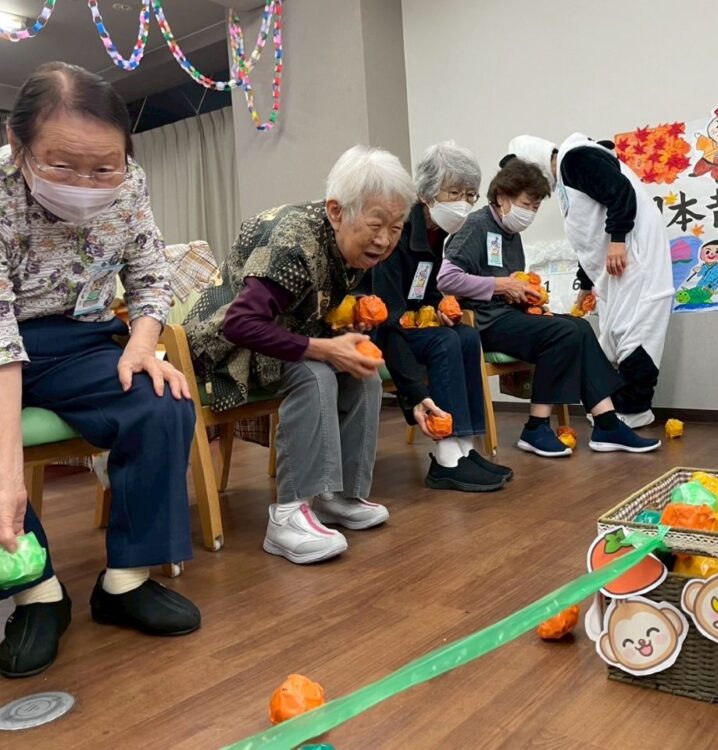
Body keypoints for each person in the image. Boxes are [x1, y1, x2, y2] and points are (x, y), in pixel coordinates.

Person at [0, 63, 200, 679]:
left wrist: (143, 343)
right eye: (62, 164)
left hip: (85, 338)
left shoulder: (132, 183)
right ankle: (37, 593)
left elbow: (148, 273)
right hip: (8, 340)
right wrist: (7, 470)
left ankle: (124, 581)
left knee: (162, 402)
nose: (86, 182)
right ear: (17, 144)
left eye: (104, 167)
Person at [184, 145, 416, 564]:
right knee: (316, 374)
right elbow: (240, 324)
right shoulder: (295, 241)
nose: (384, 240)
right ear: (336, 211)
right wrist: (323, 347)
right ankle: (289, 513)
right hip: (223, 349)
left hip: (277, 341)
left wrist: (340, 332)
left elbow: (302, 310)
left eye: (396, 228)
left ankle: (337, 495)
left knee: (362, 369)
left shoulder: (347, 244)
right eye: (376, 224)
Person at [440, 157, 660, 457]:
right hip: (482, 322)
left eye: (535, 207)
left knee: (579, 326)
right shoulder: (476, 226)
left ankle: (607, 422)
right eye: (526, 204)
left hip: (507, 315)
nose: (529, 213)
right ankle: (535, 427)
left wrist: (524, 294)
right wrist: (504, 285)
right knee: (561, 333)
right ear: (502, 197)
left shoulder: (510, 234)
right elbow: (447, 279)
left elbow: (508, 282)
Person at [364, 142, 511, 491]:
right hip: (383, 330)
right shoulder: (397, 231)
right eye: (454, 192)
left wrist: (439, 309)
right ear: (428, 192)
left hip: (413, 324)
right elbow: (386, 310)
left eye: (470, 194)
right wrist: (414, 391)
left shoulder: (437, 233)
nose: (463, 202)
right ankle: (446, 455)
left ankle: (465, 444)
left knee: (465, 334)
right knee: (446, 341)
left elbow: (422, 289)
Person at [506, 133, 674, 428]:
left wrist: (619, 240)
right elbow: (588, 237)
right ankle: (618, 406)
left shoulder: (577, 158)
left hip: (636, 262)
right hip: (614, 273)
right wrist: (585, 285)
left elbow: (620, 192)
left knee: (637, 335)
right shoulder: (567, 184)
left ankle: (635, 408)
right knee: (613, 336)